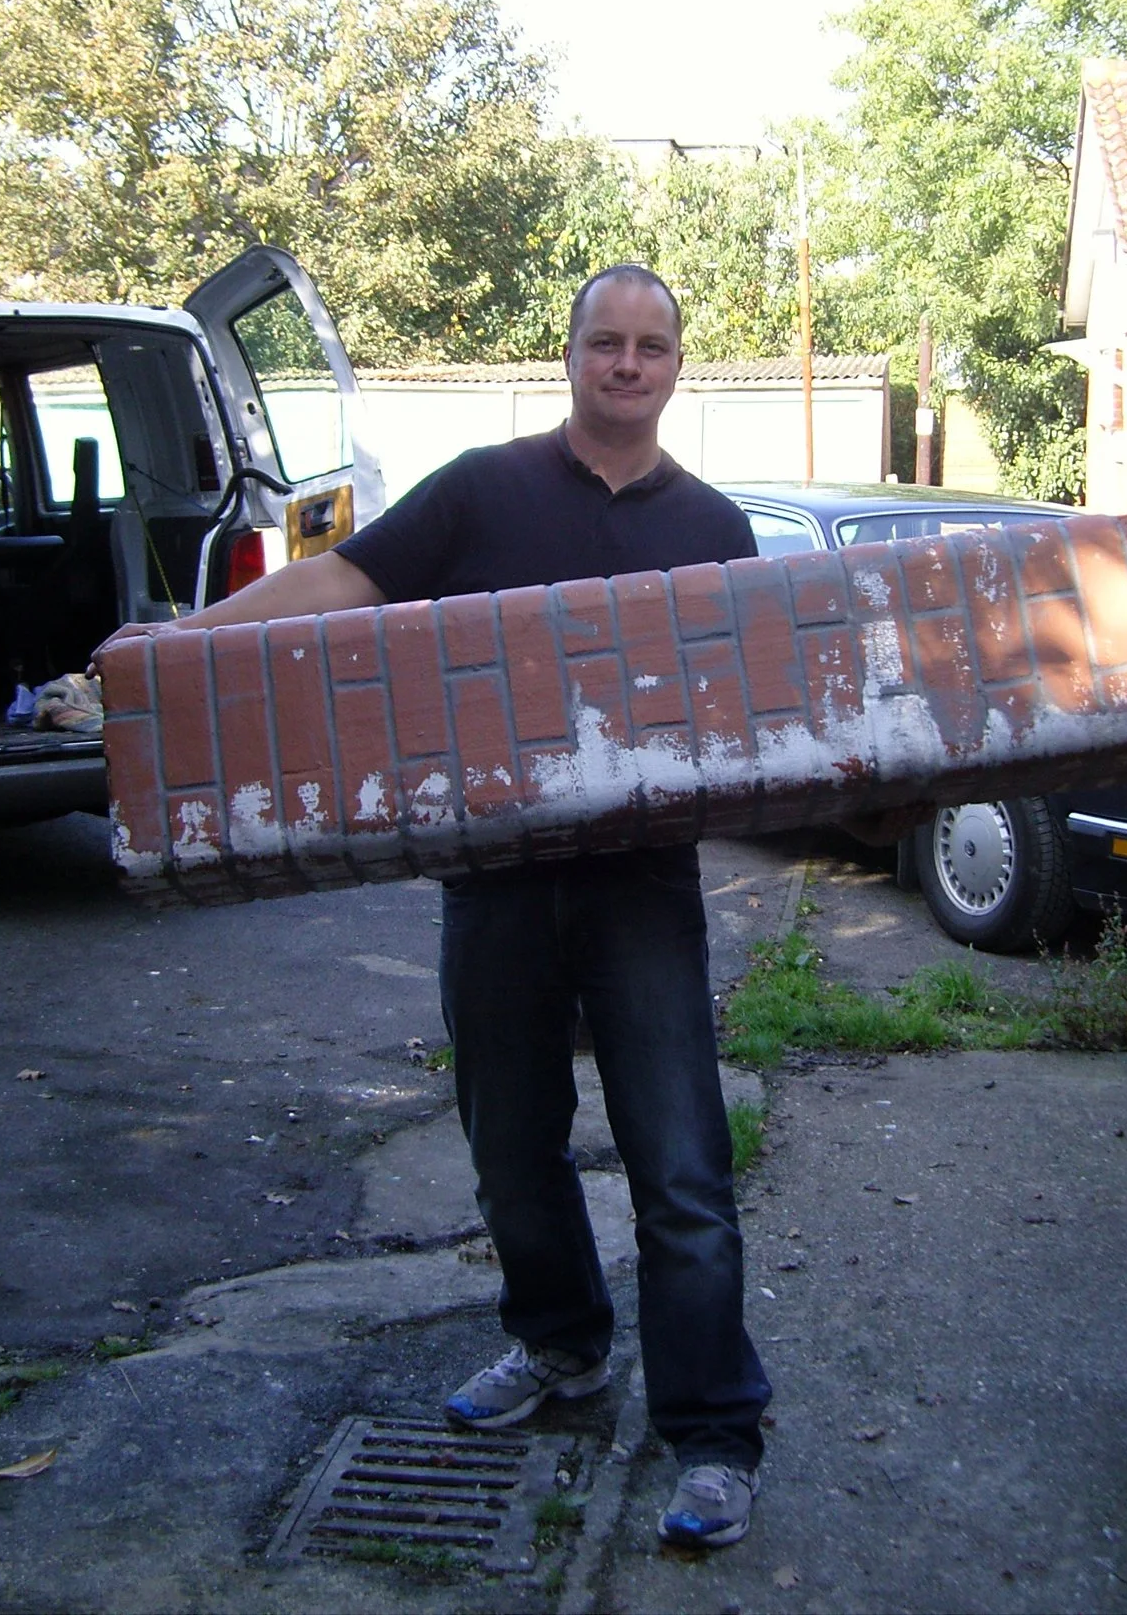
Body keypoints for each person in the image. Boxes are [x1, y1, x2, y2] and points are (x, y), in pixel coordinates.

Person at [175, 263, 771, 1547]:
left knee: (678, 1166)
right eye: (604, 343)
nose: (625, 365)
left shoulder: (717, 528)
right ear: (567, 353)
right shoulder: (480, 490)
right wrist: (182, 640)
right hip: (493, 877)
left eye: (649, 347)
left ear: (676, 367)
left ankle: (714, 1435)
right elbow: (338, 589)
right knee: (511, 1153)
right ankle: (561, 1350)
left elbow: (744, 706)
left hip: (640, 887)